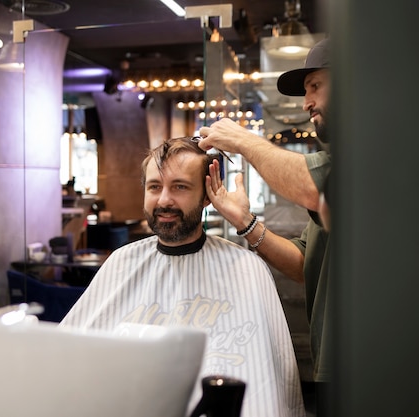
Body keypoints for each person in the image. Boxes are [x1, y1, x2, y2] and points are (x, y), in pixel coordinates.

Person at [59, 137, 306, 417]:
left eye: (180, 187)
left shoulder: (246, 268)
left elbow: (271, 387)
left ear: (206, 196)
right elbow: (66, 360)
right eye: (155, 187)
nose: (164, 200)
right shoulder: (120, 263)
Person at [196, 38, 332, 415]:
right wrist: (243, 221)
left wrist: (242, 140)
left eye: (315, 87)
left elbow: (307, 184)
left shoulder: (373, 151)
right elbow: (305, 264)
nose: (306, 103)